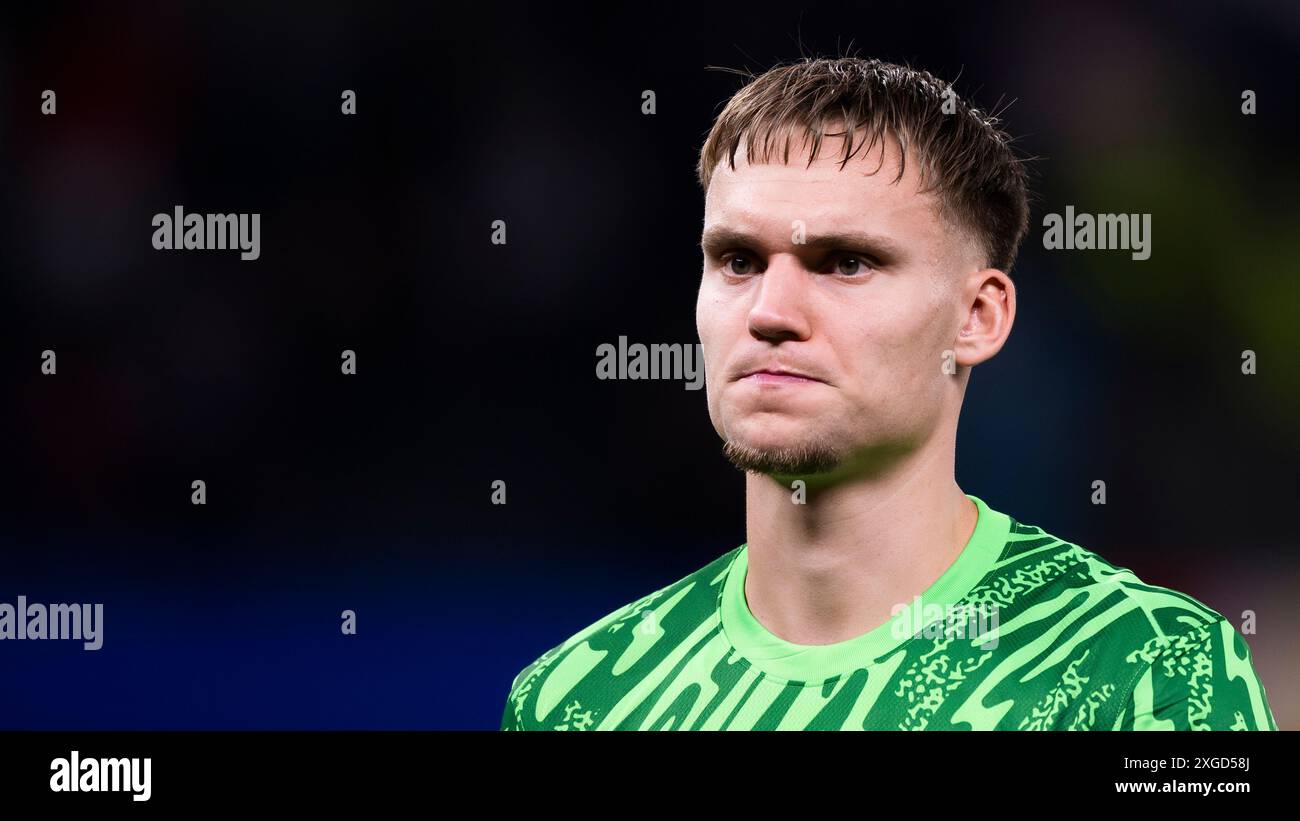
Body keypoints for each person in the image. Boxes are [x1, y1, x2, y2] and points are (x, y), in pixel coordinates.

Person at [500, 56, 1276, 730]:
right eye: (737, 259)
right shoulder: (576, 698)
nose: (769, 312)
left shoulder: (1150, 673)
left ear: (978, 316)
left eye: (845, 263)